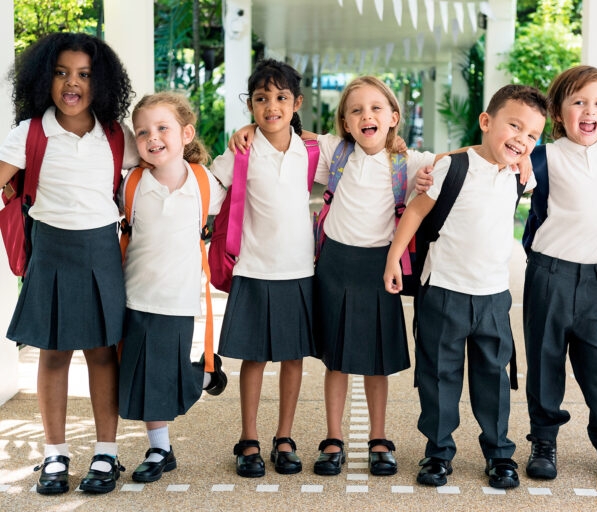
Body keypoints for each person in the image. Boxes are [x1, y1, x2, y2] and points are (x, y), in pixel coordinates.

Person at [383, 84, 547, 489]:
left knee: (494, 379)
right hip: (443, 290)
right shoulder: (451, 166)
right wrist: (393, 258)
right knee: (439, 377)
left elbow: (527, 166)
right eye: (514, 126)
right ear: (486, 122)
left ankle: (499, 453)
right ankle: (437, 453)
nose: (522, 139)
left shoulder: (520, 176)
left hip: (493, 295)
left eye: (532, 135)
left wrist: (524, 160)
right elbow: (417, 213)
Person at [0, 33, 138, 495]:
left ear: (101, 82)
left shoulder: (117, 135)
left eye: (83, 74)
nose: (71, 84)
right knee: (53, 354)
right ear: (44, 78)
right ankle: (54, 455)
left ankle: (106, 453)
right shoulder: (30, 132)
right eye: (61, 73)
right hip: (51, 252)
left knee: (102, 352)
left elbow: (168, 159)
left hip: (102, 252)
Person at [308, 76, 437, 477]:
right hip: (334, 264)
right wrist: (248, 129)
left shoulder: (408, 162)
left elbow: (454, 159)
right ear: (345, 122)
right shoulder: (335, 152)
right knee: (336, 358)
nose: (367, 115)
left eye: (377, 108)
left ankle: (378, 437)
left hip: (382, 267)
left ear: (394, 117)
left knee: (377, 360)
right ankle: (333, 438)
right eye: (356, 110)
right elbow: (290, 135)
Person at [521, 66, 597, 485]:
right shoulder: (541, 156)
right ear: (557, 110)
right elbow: (491, 160)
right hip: (548, 273)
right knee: (544, 359)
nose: (590, 112)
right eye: (578, 102)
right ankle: (544, 440)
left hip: (595, 280)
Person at [210, 59, 319, 478]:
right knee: (253, 358)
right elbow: (210, 187)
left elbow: (356, 155)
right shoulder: (241, 148)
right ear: (250, 104)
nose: (271, 106)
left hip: (299, 271)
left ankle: (285, 437)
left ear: (296, 102)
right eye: (261, 99)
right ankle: (249, 437)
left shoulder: (312, 149)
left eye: (280, 98)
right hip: (253, 268)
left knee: (293, 357)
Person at [119, 91, 228, 483]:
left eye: (163, 128)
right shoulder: (130, 183)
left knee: (156, 377)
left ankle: (159, 448)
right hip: (133, 297)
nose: (153, 137)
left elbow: (241, 178)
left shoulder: (205, 184)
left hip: (179, 301)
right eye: (143, 132)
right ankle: (201, 378)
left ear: (186, 133)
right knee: (138, 376)